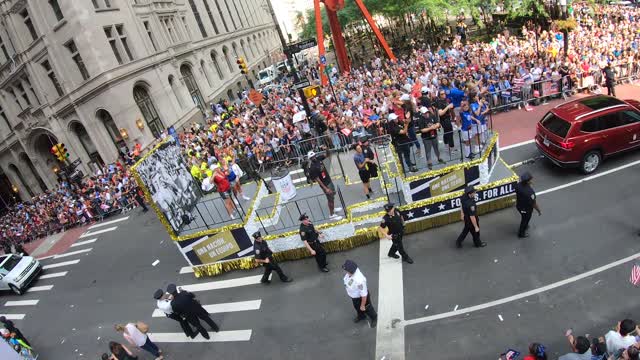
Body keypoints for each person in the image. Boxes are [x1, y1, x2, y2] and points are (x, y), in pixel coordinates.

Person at [308, 151, 343, 220]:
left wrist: (326, 148)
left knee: (332, 196)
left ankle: (333, 209)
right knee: (330, 198)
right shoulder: (312, 168)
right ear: (310, 159)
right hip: (325, 184)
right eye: (312, 157)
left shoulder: (318, 158)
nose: (314, 157)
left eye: (314, 156)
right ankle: (331, 215)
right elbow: (318, 180)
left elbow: (328, 154)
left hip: (328, 180)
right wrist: (325, 188)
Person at [342, 260, 377, 327]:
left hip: (361, 297)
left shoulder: (359, 281)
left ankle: (374, 318)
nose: (345, 271)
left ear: (351, 271)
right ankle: (361, 316)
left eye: (346, 270)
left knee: (368, 309)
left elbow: (364, 294)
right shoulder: (351, 272)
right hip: (354, 297)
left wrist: (363, 305)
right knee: (357, 307)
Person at [515, 171, 542, 238]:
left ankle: (525, 226)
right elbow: (534, 204)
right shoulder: (530, 192)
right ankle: (521, 233)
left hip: (519, 206)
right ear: (527, 181)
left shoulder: (518, 185)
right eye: (530, 179)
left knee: (523, 217)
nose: (532, 180)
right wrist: (539, 211)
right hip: (526, 209)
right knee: (525, 220)